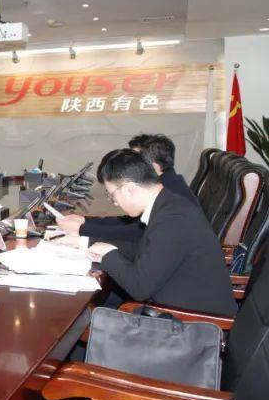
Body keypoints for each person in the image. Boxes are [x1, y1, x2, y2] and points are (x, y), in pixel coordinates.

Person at [85, 149, 236, 316]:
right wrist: (86, 244)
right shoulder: (169, 204)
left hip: (194, 324)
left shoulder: (173, 219)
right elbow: (142, 251)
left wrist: (108, 255)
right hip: (176, 309)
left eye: (112, 196)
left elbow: (139, 287)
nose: (115, 203)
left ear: (129, 189)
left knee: (92, 315)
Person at [59, 134, 199, 242]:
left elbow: (136, 233)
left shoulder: (170, 194)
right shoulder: (168, 184)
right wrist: (86, 221)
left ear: (154, 166)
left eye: (136, 161)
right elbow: (131, 222)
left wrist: (84, 231)